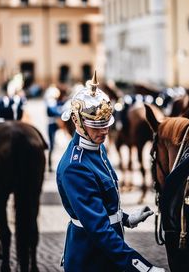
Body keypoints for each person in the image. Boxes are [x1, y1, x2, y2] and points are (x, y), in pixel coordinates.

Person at [56, 71, 165, 272]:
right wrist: (143, 268)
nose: (104, 131)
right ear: (77, 121)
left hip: (107, 255)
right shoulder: (75, 167)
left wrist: (126, 218)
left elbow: (101, 203)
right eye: (97, 126)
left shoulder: (97, 146)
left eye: (106, 125)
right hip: (90, 259)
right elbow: (98, 229)